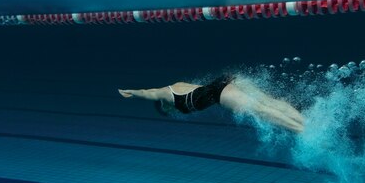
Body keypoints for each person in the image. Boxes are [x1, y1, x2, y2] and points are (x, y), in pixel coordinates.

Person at [118, 75, 305, 133]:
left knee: (262, 111)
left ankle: (303, 131)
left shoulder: (166, 94)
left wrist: (131, 93)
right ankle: (305, 121)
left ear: (163, 105)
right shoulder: (178, 86)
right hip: (228, 82)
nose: (170, 110)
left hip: (221, 92)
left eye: (166, 110)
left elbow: (148, 92)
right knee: (269, 103)